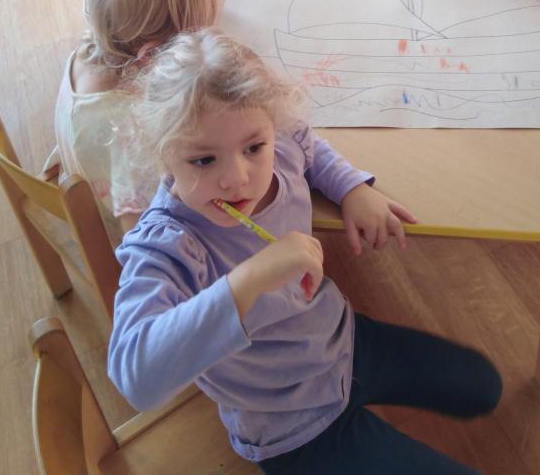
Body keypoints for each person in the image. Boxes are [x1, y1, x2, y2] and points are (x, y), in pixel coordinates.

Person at [107, 28, 502, 472]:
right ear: (162, 154)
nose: (237, 178)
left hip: (342, 342)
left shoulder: (278, 147)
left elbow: (308, 146)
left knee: (483, 385)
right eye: (203, 160)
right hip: (288, 426)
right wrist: (249, 280)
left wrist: (351, 188)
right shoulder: (169, 243)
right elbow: (136, 379)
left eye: (253, 147)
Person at [54, 0, 224, 242]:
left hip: (84, 167)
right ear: (153, 54)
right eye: (201, 34)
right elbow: (139, 231)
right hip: (130, 226)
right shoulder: (133, 131)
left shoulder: (95, 47)